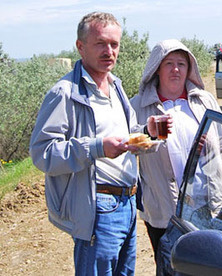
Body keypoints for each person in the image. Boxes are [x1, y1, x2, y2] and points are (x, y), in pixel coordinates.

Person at [29, 12, 149, 275]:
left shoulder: (115, 86)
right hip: (99, 207)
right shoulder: (64, 93)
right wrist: (96, 148)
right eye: (101, 43)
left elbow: (123, 134)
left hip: (128, 203)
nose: (109, 51)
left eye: (114, 44)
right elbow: (42, 154)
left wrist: (145, 133)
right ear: (80, 47)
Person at [130, 39, 222, 266]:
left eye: (181, 63)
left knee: (214, 268)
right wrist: (147, 134)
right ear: (157, 68)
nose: (176, 69)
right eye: (168, 63)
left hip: (209, 207)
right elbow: (126, 147)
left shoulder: (204, 101)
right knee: (173, 268)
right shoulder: (137, 107)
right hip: (164, 211)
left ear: (190, 69)